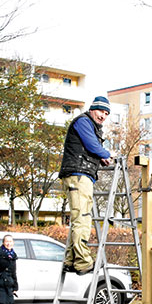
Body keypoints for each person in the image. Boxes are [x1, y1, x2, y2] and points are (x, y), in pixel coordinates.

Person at [59, 95, 113, 276]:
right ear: (92, 109)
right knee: (82, 218)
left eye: (106, 113)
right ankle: (82, 262)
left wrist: (101, 156)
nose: (103, 116)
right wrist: (106, 154)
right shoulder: (83, 122)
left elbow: (92, 147)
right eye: (101, 111)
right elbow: (91, 145)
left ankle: (70, 260)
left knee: (78, 218)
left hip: (81, 175)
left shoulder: (90, 125)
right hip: (78, 175)